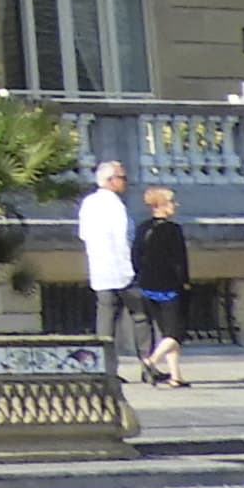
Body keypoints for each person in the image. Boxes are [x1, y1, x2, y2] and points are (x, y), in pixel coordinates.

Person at [129, 184, 193, 388]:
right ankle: (151, 361)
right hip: (169, 286)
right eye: (171, 201)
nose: (176, 205)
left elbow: (135, 255)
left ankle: (175, 376)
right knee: (176, 333)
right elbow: (180, 260)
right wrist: (185, 282)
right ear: (160, 205)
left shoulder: (143, 228)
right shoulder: (173, 229)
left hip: (148, 285)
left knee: (166, 332)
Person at [76, 157, 139, 363]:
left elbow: (83, 235)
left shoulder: (88, 203)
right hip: (121, 270)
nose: (126, 182)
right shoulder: (114, 205)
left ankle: (105, 366)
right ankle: (148, 363)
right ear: (111, 180)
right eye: (123, 178)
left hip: (100, 270)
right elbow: (123, 238)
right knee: (141, 318)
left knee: (105, 320)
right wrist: (130, 268)